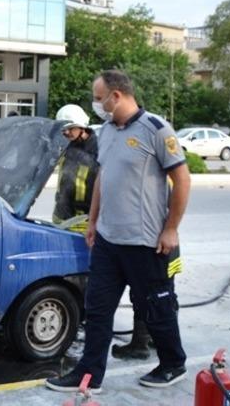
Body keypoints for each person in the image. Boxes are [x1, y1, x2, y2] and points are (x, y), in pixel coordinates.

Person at [46, 70, 191, 393]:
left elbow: (182, 180)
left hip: (146, 242)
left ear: (116, 96)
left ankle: (172, 363)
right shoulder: (106, 132)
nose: (96, 104)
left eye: (99, 98)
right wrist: (94, 221)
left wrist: (171, 229)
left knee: (156, 308)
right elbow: (102, 178)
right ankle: (89, 374)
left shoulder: (156, 130)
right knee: (97, 310)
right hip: (109, 242)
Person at [53, 104, 98, 233]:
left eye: (71, 128)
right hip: (60, 216)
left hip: (83, 221)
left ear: (82, 126)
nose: (66, 132)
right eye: (64, 129)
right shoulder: (67, 145)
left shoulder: (98, 150)